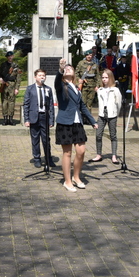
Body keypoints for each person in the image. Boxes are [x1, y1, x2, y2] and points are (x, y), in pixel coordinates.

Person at [54, 59, 98, 192]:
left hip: (77, 122)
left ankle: (76, 177)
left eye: (70, 69)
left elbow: (82, 106)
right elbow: (57, 81)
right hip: (65, 122)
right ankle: (67, 181)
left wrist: (92, 121)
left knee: (81, 151)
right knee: (67, 153)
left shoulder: (76, 88)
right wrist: (60, 69)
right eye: (65, 69)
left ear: (74, 73)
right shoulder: (61, 86)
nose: (67, 70)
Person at [23, 69, 55, 168]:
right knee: (35, 139)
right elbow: (26, 104)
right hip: (34, 117)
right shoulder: (30, 89)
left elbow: (51, 106)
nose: (42, 77)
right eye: (40, 75)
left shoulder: (48, 89)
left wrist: (51, 119)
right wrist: (26, 119)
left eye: (43, 76)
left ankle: (48, 158)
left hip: (44, 117)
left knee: (46, 139)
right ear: (35, 77)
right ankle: (37, 158)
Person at [90, 69, 122, 165]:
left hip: (112, 115)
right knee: (98, 134)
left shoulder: (115, 90)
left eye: (106, 77)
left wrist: (116, 113)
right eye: (103, 77)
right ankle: (98, 154)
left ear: (110, 78)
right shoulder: (100, 90)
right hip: (101, 115)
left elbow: (119, 104)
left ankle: (114, 155)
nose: (104, 79)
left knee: (113, 135)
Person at [0, 51, 20, 125]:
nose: (10, 57)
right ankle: (5, 118)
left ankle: (10, 119)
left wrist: (17, 88)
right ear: (7, 57)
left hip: (12, 85)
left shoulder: (15, 66)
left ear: (13, 56)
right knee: (4, 102)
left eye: (11, 56)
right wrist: (1, 79)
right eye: (8, 56)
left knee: (11, 102)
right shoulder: (3, 65)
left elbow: (18, 78)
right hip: (4, 85)